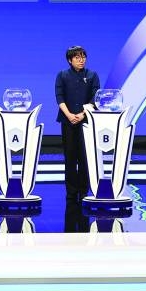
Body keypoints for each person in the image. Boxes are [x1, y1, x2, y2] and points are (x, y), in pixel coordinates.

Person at [54, 45, 100, 200]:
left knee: (85, 156)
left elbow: (95, 98)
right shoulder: (62, 75)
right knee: (70, 156)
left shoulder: (92, 75)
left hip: (86, 120)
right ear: (70, 60)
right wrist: (69, 115)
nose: (81, 60)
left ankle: (83, 188)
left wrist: (82, 114)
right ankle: (71, 190)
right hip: (67, 121)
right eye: (77, 58)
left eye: (83, 57)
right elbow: (59, 97)